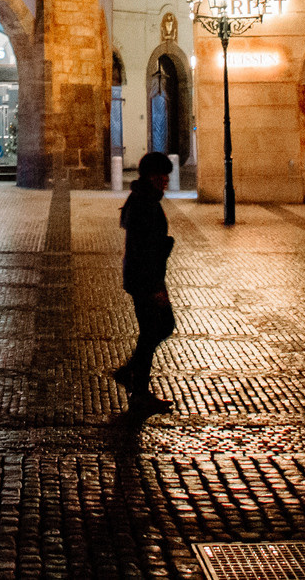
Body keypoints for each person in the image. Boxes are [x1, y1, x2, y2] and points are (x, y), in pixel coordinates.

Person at [112, 150, 177, 412]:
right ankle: (138, 390)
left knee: (157, 328)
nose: (166, 180)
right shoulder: (144, 204)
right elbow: (145, 249)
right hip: (145, 279)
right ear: (151, 176)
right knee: (155, 329)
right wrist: (155, 288)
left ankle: (131, 373)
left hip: (143, 277)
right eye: (162, 175)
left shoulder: (144, 199)